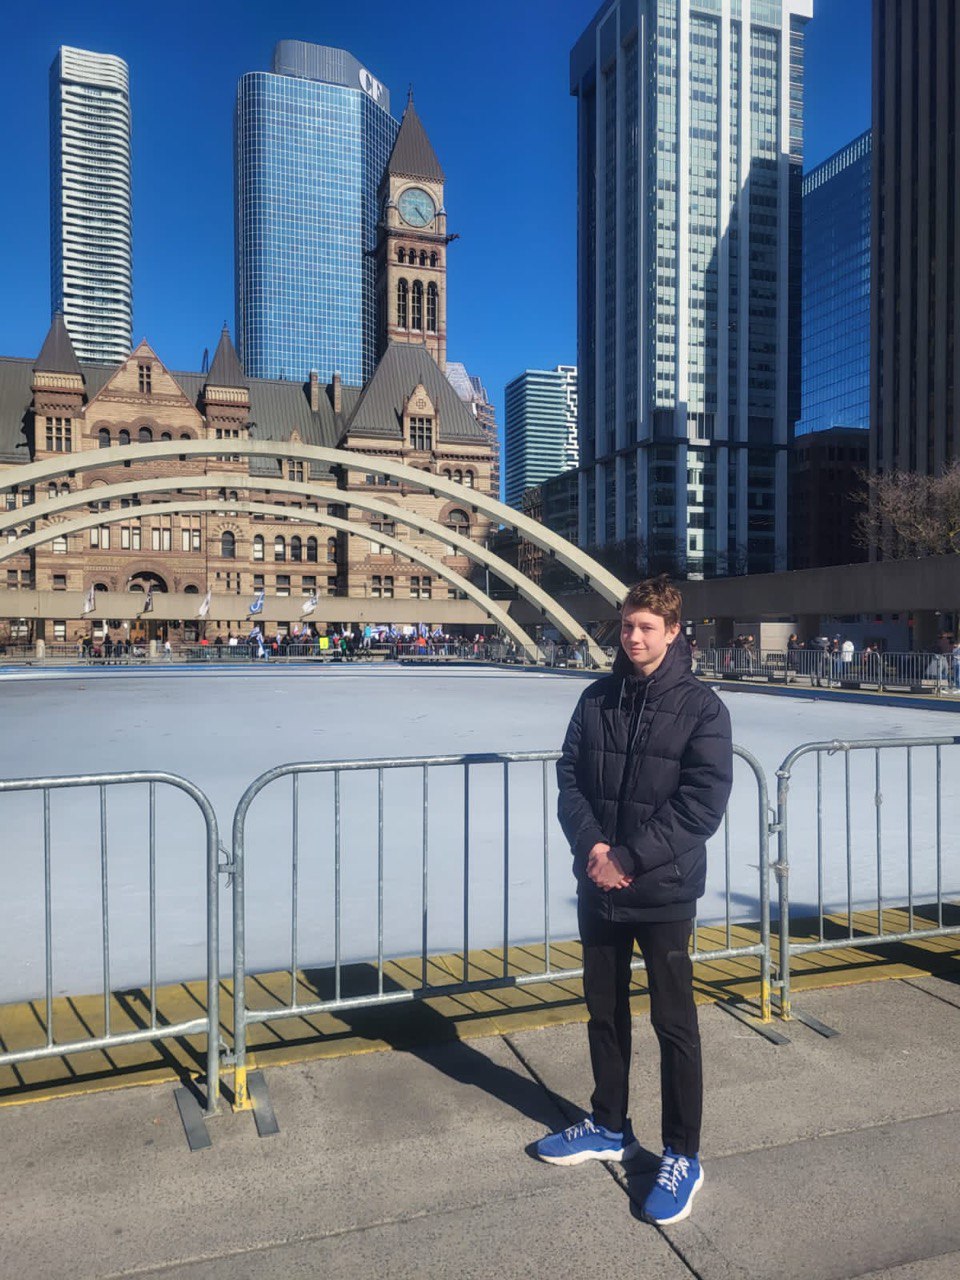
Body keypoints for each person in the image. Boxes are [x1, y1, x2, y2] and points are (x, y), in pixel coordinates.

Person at [536, 577, 733, 1226]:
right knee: (604, 1010)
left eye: (647, 627)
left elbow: (700, 804)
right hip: (600, 887)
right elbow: (569, 777)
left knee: (674, 1024)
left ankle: (682, 1154)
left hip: (663, 891)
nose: (634, 637)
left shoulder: (702, 709)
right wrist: (595, 848)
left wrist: (629, 857)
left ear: (674, 632)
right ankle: (608, 1124)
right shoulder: (597, 698)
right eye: (627, 626)